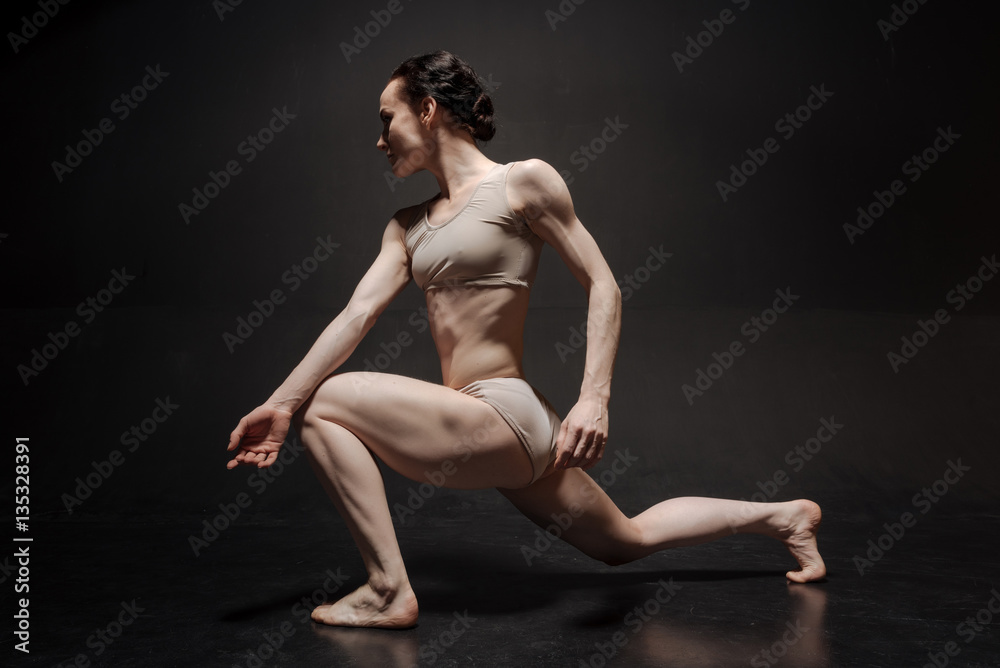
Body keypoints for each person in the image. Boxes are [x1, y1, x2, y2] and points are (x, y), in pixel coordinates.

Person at [225, 50, 826, 629]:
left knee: (325, 405)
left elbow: (604, 285)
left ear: (428, 109)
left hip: (505, 412)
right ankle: (784, 518)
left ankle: (387, 589)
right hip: (491, 428)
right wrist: (279, 402)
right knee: (626, 540)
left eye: (388, 118)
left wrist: (594, 398)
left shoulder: (523, 182)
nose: (379, 139)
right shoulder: (405, 227)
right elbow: (356, 315)